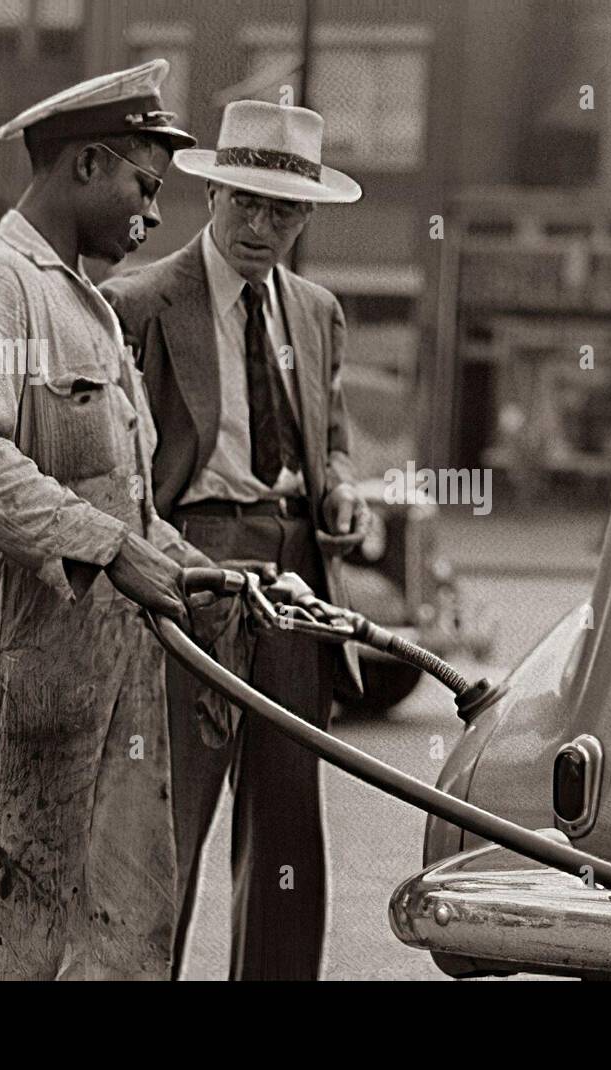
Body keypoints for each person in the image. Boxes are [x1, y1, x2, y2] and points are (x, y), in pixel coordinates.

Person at [0, 61, 232, 980]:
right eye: (145, 187)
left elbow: (113, 499)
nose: (155, 215)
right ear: (87, 165)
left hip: (104, 682)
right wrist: (111, 549)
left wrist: (199, 569)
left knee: (117, 934)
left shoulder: (85, 305)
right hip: (19, 677)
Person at [102, 100, 368, 980]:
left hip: (297, 577)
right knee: (168, 817)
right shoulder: (136, 304)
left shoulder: (317, 312)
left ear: (306, 219)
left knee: (288, 821)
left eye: (283, 211)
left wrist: (342, 493)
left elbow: (331, 439)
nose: (260, 227)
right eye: (245, 203)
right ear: (212, 195)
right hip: (190, 567)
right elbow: (111, 466)